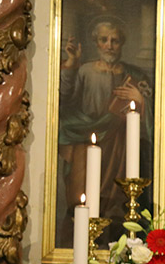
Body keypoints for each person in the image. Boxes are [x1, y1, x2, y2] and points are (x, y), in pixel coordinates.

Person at [58, 18, 153, 244]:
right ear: (96, 42)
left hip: (122, 148)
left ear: (122, 43)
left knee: (118, 202)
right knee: (84, 196)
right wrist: (70, 64)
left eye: (115, 40)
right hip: (86, 144)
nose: (109, 45)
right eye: (104, 40)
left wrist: (140, 101)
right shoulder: (84, 71)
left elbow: (152, 123)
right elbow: (66, 102)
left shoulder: (135, 75)